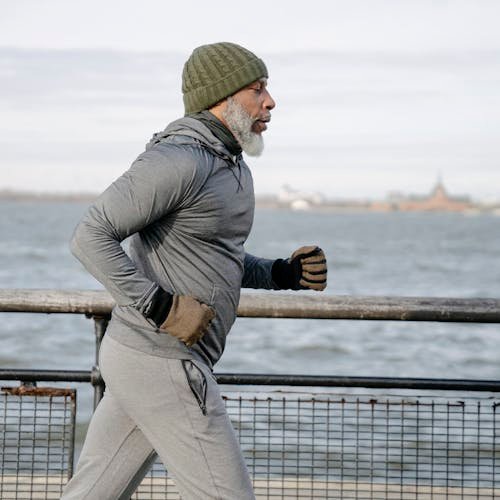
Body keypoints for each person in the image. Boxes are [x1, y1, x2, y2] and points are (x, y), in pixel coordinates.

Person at [61, 42, 328, 500]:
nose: (270, 101)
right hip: (161, 357)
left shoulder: (231, 165)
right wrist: (160, 306)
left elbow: (215, 257)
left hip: (147, 360)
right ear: (221, 98)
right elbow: (90, 236)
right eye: (257, 89)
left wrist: (280, 273)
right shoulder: (179, 159)